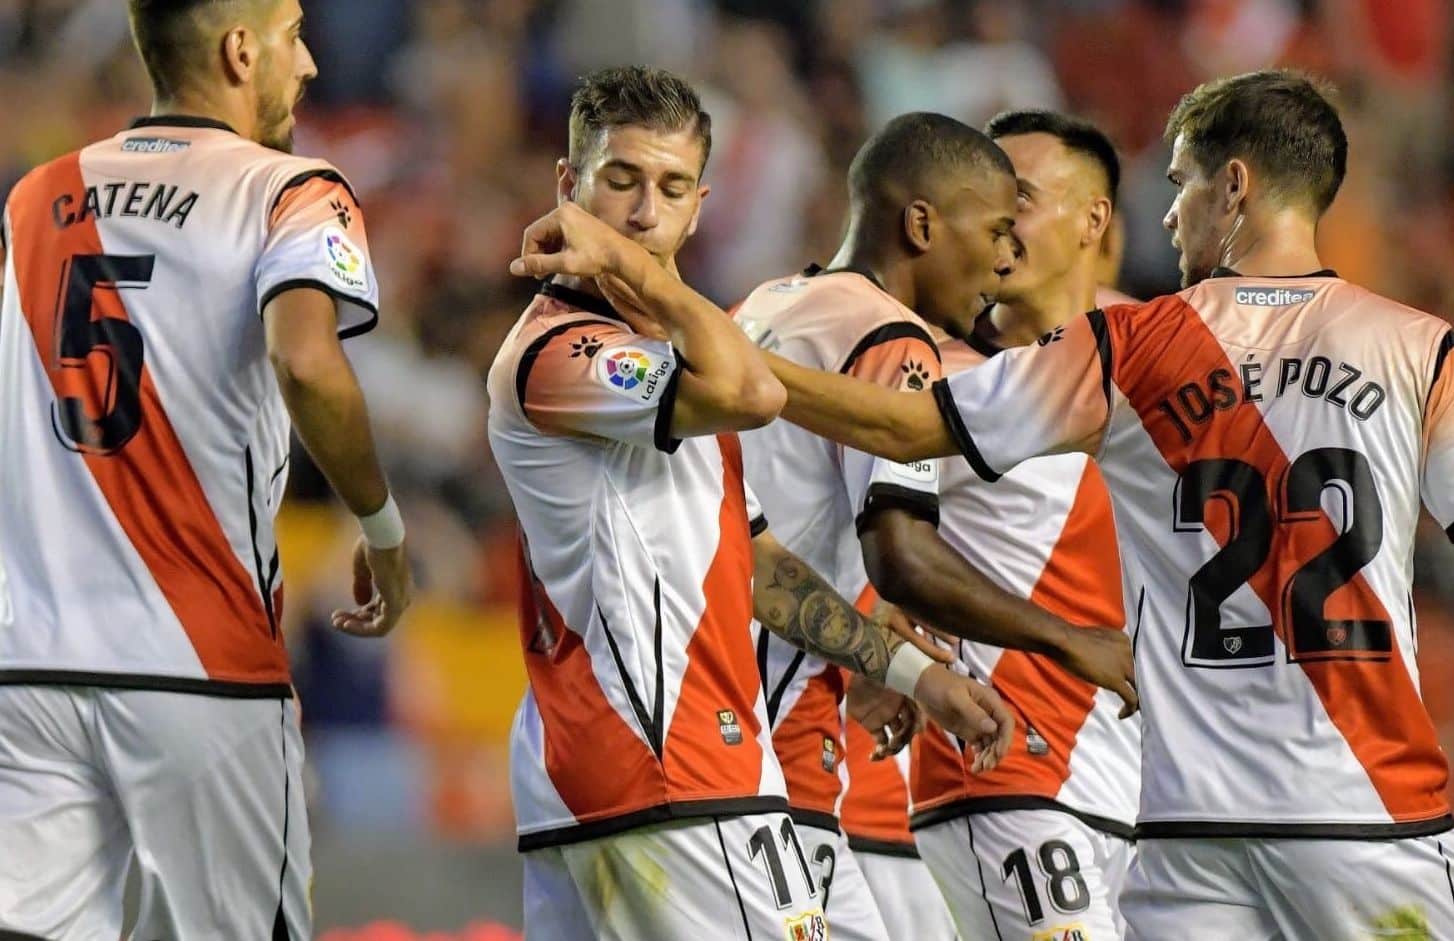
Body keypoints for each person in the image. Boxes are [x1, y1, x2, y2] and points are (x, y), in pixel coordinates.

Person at [714, 70, 1454, 940]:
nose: (1169, 214)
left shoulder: (1127, 347)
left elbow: (908, 428)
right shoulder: (1420, 349)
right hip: (1372, 807)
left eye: (1178, 184)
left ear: (1235, 186)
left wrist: (724, 362)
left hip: (1189, 837)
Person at [491, 66, 1013, 941]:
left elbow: (760, 569)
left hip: (640, 779)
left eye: (669, 189)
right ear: (567, 186)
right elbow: (755, 393)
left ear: (701, 203)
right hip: (666, 770)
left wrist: (914, 674)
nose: (644, 214)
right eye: (619, 181)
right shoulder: (563, 351)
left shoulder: (663, 353)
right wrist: (633, 269)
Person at [0, 1, 413, 937]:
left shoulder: (33, 199)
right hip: (200, 667)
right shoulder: (291, 188)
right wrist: (383, 529)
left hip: (28, 667)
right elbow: (306, 361)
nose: (308, 62)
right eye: (293, 33)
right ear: (240, 50)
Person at [732, 111, 1135, 939]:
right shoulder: (897, 344)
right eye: (993, 224)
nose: (999, 255)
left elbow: (769, 535)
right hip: (771, 755)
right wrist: (1063, 643)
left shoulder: (767, 304)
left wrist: (891, 652)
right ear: (922, 224)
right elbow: (901, 555)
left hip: (723, 736)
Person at [909, 109, 1140, 940]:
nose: (998, 224)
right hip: (1003, 774)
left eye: (1023, 200)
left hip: (1139, 794)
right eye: (987, 202)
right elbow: (848, 529)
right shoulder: (934, 374)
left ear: (1093, 221)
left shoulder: (1156, 373)